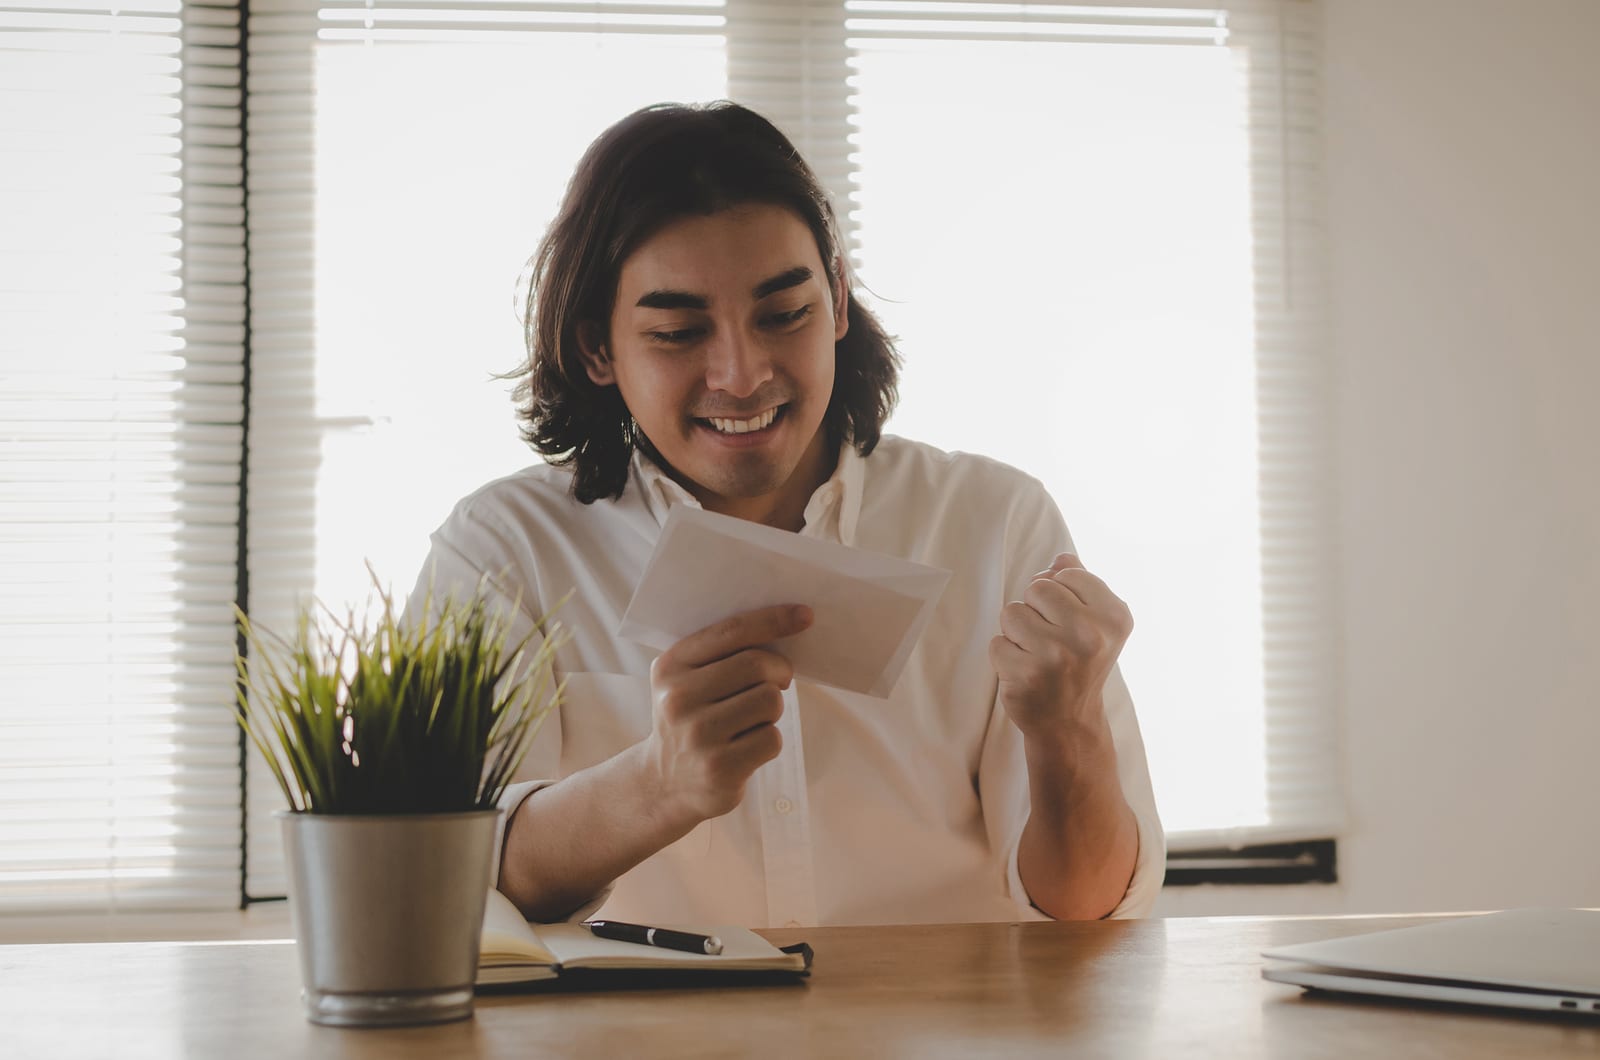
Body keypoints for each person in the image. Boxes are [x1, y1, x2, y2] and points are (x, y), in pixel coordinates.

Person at [407, 101, 1164, 928]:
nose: (739, 373)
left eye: (785, 314)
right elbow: (443, 879)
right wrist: (659, 783)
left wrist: (1068, 735)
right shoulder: (504, 551)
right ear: (597, 348)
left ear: (837, 303)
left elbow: (1088, 907)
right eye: (677, 332)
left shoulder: (993, 522)